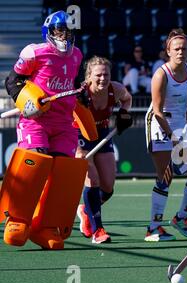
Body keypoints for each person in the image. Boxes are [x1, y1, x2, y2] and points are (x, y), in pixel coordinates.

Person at [0, 11, 89, 250]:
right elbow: (13, 82)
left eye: (67, 31)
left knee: (63, 174)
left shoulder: (77, 55)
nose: (64, 35)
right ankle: (17, 219)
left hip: (63, 123)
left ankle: (47, 226)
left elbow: (71, 84)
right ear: (49, 32)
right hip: (36, 121)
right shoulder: (33, 52)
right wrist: (24, 99)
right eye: (59, 30)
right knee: (34, 165)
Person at [144, 28, 187, 241]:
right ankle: (153, 227)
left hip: (182, 125)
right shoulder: (161, 74)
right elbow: (157, 111)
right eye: (176, 49)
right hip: (160, 125)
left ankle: (182, 217)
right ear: (168, 51)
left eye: (184, 48)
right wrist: (172, 137)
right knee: (166, 175)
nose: (181, 52)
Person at [76, 56, 133, 244]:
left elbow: (127, 99)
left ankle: (86, 210)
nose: (103, 78)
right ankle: (97, 230)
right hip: (80, 135)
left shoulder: (115, 89)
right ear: (89, 76)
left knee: (107, 187)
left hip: (102, 133)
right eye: (98, 75)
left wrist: (124, 113)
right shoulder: (80, 93)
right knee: (92, 180)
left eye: (106, 74)